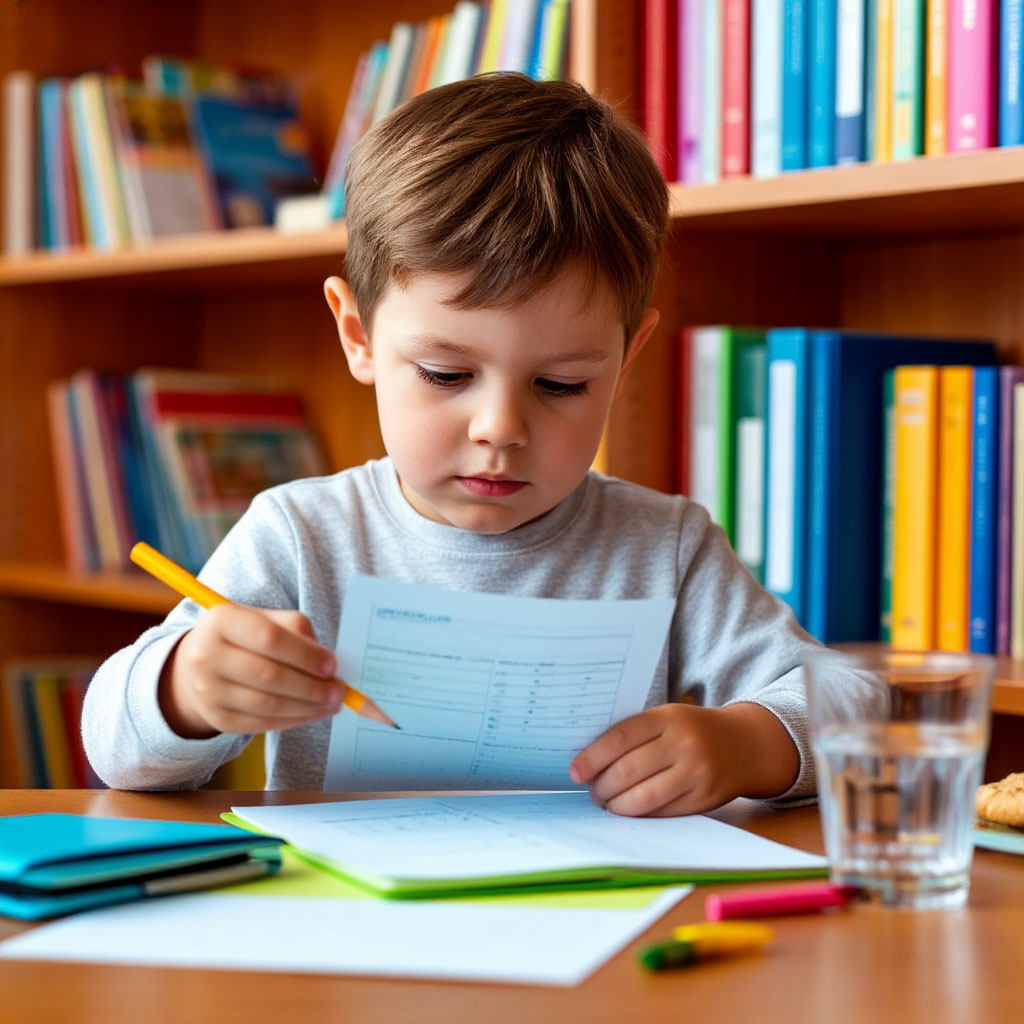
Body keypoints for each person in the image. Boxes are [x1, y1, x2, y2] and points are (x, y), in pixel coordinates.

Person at [83, 72, 822, 815]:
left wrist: (746, 742)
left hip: (595, 915)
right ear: (358, 336)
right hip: (349, 924)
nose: (500, 428)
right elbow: (116, 750)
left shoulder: (666, 550)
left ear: (625, 361)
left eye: (561, 384)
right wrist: (185, 689)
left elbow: (853, 700)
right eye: (446, 374)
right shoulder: (300, 536)